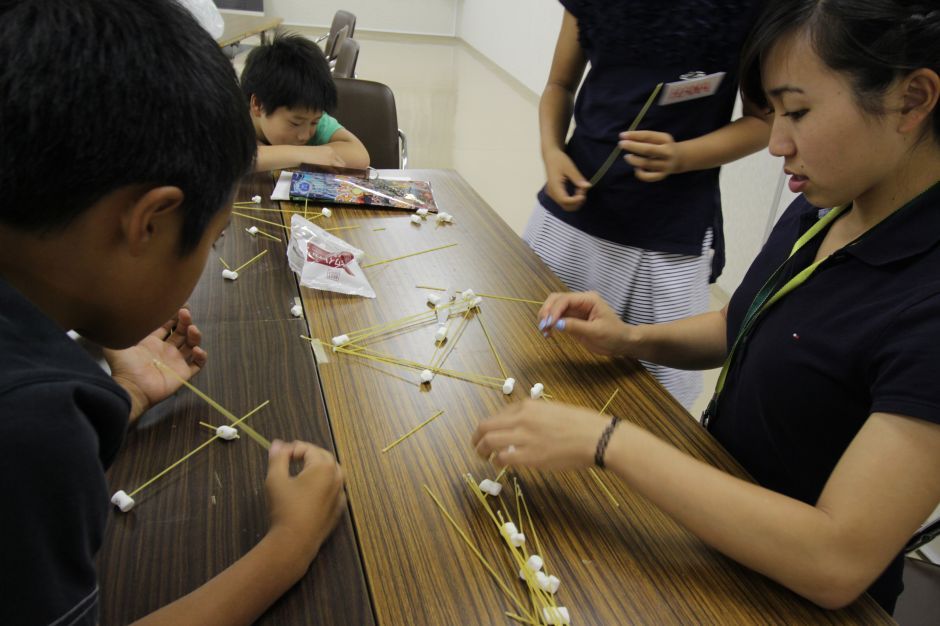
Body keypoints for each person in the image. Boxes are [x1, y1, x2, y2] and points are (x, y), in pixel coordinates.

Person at [475, 0, 940, 613]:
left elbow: (836, 560)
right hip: (715, 540)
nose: (775, 143)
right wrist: (634, 339)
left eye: (798, 112)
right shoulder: (830, 206)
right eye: (774, 112)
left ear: (912, 99)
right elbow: (747, 319)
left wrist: (609, 441)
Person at [0, 1, 345, 624]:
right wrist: (288, 547)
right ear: (150, 221)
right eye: (213, 243)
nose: (207, 261)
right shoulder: (33, 427)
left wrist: (123, 396)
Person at [526, 1, 771, 408]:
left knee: (652, 403)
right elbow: (559, 86)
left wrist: (683, 156)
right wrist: (552, 151)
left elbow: (765, 120)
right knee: (534, 361)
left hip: (667, 243)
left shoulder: (747, 10)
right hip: (570, 221)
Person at [240, 33, 370, 172]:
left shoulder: (307, 115)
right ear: (258, 105)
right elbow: (227, 161)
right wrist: (305, 154)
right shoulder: (234, 119)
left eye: (314, 122)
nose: (305, 135)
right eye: (295, 123)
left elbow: (360, 156)